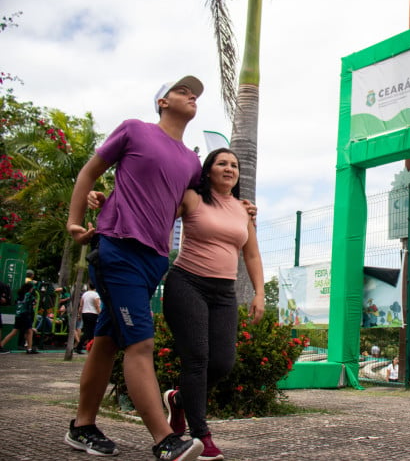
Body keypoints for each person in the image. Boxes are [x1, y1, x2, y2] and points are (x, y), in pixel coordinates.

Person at [64, 76, 207, 460]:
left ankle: (83, 426)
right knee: (140, 343)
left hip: (154, 260)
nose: (191, 95)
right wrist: (75, 221)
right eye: (182, 90)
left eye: (195, 93)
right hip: (118, 249)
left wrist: (243, 209)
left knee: (108, 342)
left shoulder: (191, 162)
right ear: (162, 101)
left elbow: (181, 203)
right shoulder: (134, 131)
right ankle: (164, 440)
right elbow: (88, 172)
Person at [160, 148, 265, 461]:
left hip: (224, 293)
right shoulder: (193, 198)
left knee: (222, 362)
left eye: (234, 165)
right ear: (208, 170)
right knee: (198, 359)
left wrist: (259, 292)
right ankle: (200, 436)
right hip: (187, 283)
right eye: (222, 163)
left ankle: (179, 400)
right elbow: (158, 215)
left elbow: (252, 254)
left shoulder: (243, 210)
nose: (229, 168)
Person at [0, 282, 38, 354]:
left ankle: (1, 344)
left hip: (18, 315)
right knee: (29, 331)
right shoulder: (28, 295)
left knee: (14, 332)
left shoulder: (20, 295)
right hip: (25, 315)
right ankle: (29, 349)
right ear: (30, 288)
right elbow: (32, 303)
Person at [75, 283, 100, 354]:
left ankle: (90, 347)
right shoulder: (96, 295)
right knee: (89, 331)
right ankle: (79, 347)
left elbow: (81, 305)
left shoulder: (85, 294)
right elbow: (97, 305)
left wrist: (79, 314)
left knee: (89, 331)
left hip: (85, 313)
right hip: (93, 313)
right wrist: (100, 313)